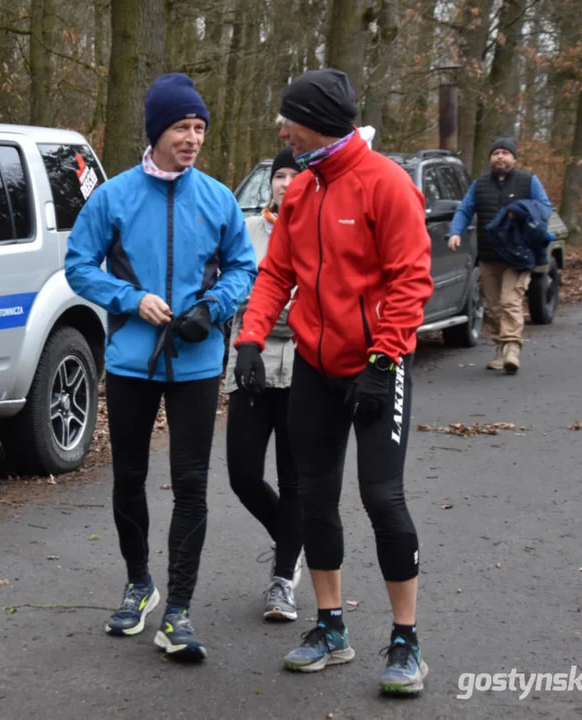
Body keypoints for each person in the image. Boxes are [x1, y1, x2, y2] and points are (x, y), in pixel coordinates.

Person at [232, 68, 434, 695]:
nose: (282, 129)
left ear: (316, 120)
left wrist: (382, 361)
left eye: (289, 119)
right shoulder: (301, 190)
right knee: (315, 497)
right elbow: (275, 276)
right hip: (315, 369)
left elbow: (411, 282)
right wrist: (249, 340)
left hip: (376, 368)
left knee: (382, 499)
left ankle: (406, 641)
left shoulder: (386, 185)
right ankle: (330, 627)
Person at [64, 72, 257, 662]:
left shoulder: (218, 198)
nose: (192, 138)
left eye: (199, 128)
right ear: (156, 132)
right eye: (181, 127)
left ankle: (178, 611)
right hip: (130, 360)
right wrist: (130, 298)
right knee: (128, 478)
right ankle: (138, 585)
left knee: (193, 486)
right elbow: (78, 266)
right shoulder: (113, 196)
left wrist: (213, 307)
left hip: (197, 363)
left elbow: (243, 268)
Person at [224, 146, 304, 622]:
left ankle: (282, 579)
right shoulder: (247, 231)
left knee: (295, 478)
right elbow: (237, 291)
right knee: (242, 474)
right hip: (249, 364)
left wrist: (275, 311)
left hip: (301, 368)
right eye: (280, 176)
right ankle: (291, 539)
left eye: (296, 175)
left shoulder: (317, 234)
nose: (286, 182)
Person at [448, 137, 553, 373]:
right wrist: (455, 232)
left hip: (519, 255)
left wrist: (524, 212)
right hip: (488, 254)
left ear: (514, 158)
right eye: (496, 153)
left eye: (506, 153)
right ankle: (501, 348)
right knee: (494, 307)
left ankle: (512, 348)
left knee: (510, 301)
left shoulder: (529, 181)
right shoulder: (480, 184)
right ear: (490, 158)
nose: (501, 157)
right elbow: (465, 209)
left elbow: (545, 208)